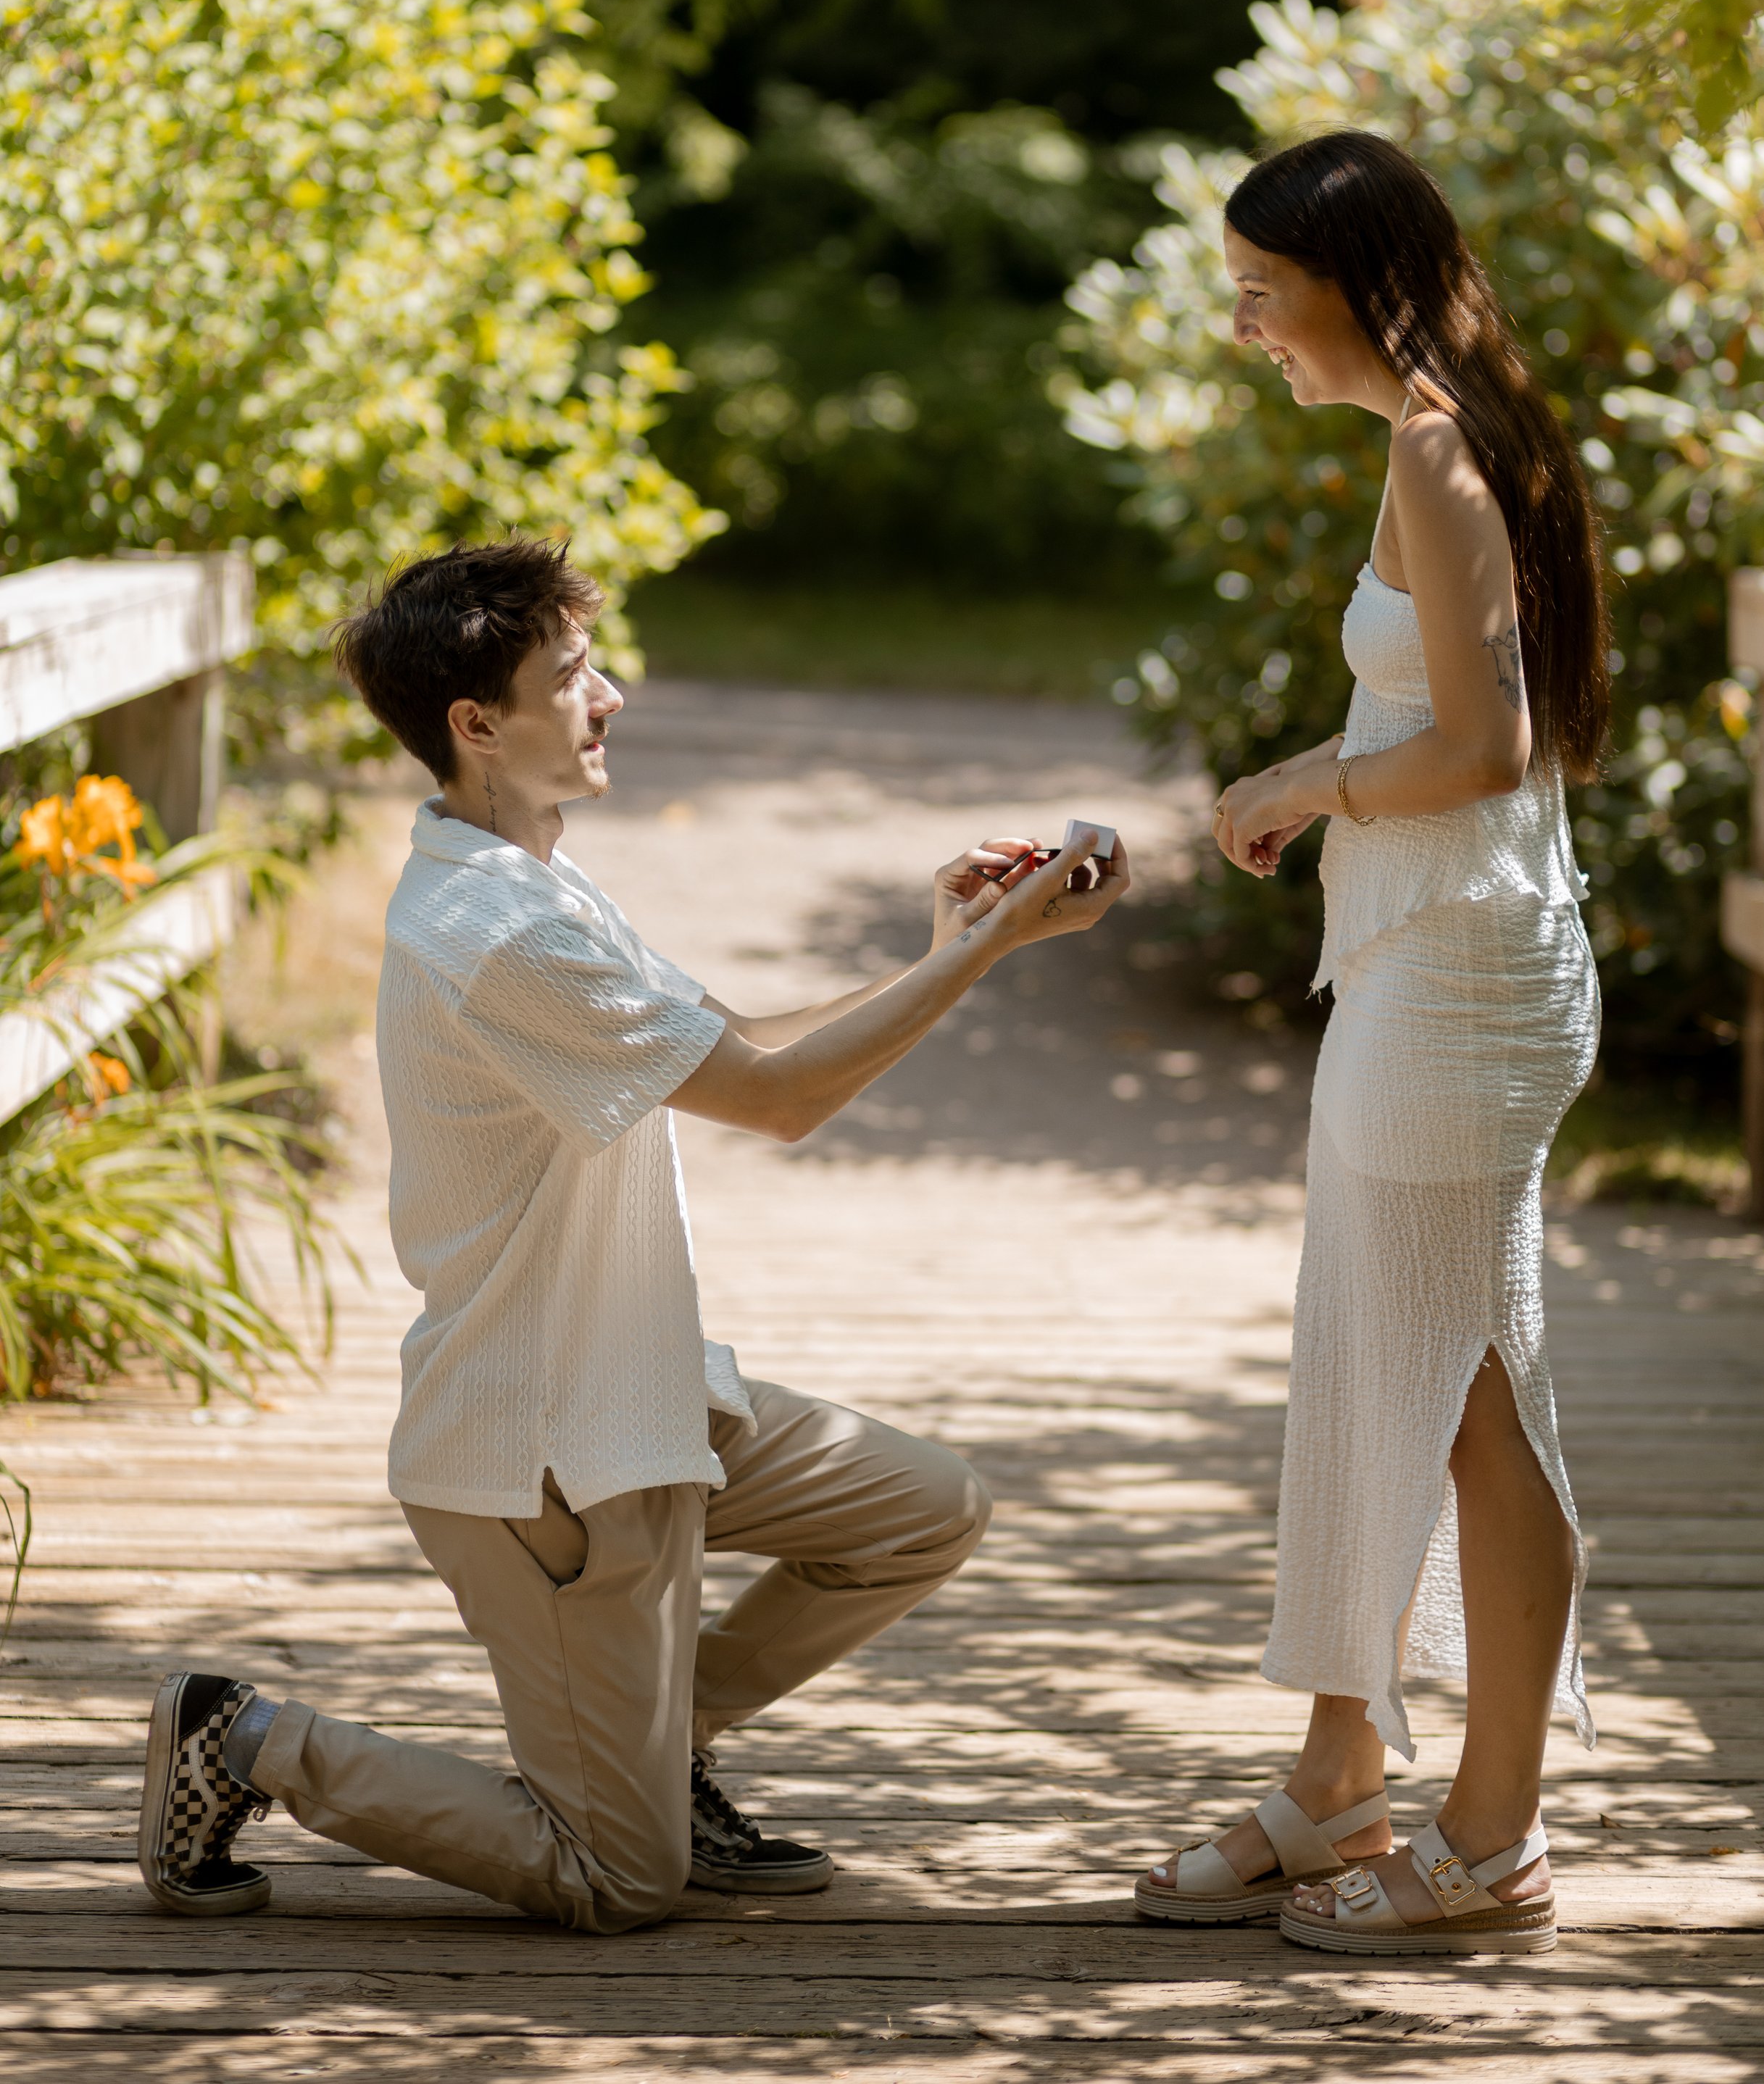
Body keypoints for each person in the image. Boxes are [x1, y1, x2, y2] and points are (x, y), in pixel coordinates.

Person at [138, 538, 1129, 1933]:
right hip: (547, 1453)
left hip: (645, 1396)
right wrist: (981, 955)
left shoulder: (535, 880)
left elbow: (730, 1043)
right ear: (475, 724)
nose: (608, 700)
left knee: (923, 1508)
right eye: (572, 676)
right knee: (615, 1878)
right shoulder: (494, 932)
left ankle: (656, 1753)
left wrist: (955, 943)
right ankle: (245, 1737)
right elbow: (779, 1101)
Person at [1133, 132, 1609, 1958]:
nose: (1243, 324)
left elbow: (1482, 749)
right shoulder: (1440, 427)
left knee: (1472, 1397)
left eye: (1264, 290)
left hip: (1462, 979)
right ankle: (1340, 1778)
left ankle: (1488, 1841)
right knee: (1368, 1367)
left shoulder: (1433, 445)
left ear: (1359, 283)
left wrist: (1297, 781)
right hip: (1425, 963)